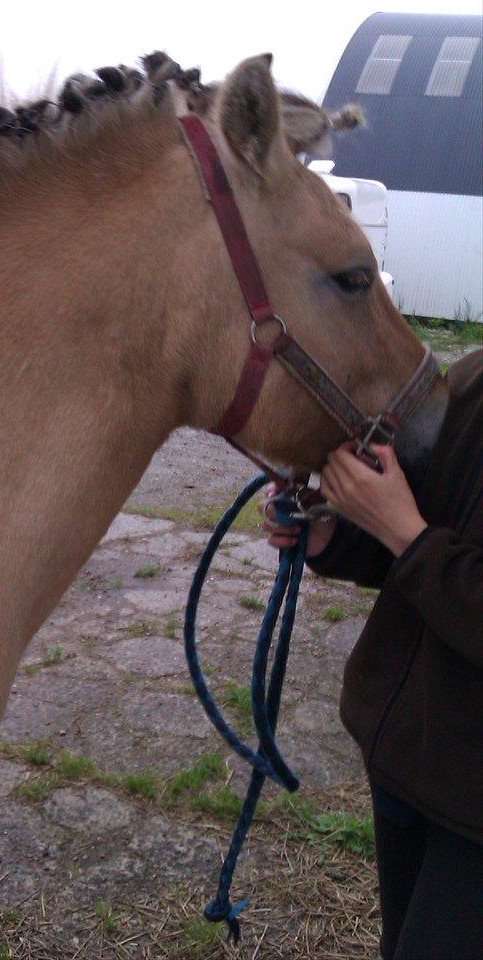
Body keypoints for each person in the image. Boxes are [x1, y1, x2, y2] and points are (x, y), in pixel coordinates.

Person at [262, 348, 483, 960]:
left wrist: (402, 533)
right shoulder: (469, 379)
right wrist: (340, 534)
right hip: (406, 757)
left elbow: (413, 536)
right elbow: (418, 533)